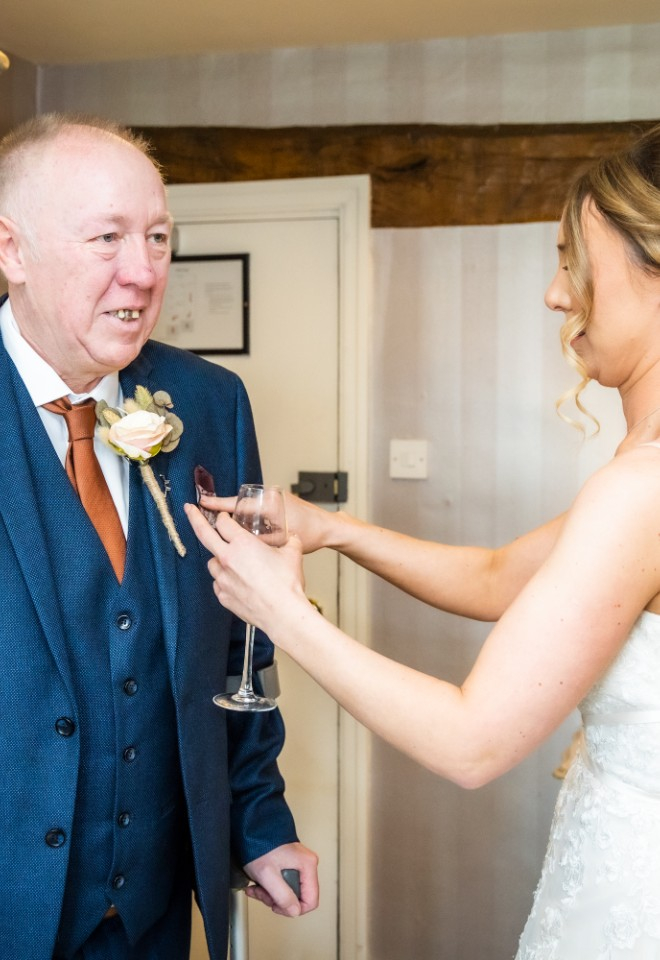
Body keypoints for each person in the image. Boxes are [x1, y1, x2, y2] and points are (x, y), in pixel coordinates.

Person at [186, 124, 660, 958]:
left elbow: (474, 741)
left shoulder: (643, 490)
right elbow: (496, 575)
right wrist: (330, 526)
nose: (555, 294)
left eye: (572, 261)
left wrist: (282, 610)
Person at [0, 113, 318, 960]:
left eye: (157, 238)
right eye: (106, 238)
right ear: (12, 250)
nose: (142, 274)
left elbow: (240, 643)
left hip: (154, 910)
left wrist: (259, 822)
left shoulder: (210, 404)